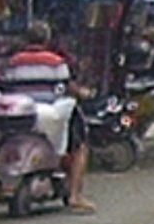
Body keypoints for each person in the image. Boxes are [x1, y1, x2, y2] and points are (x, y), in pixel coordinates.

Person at [11, 20, 97, 213]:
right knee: (80, 147)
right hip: (50, 112)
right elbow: (67, 87)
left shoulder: (14, 62)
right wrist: (84, 93)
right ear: (47, 40)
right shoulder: (55, 62)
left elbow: (8, 85)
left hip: (23, 114)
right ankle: (75, 195)